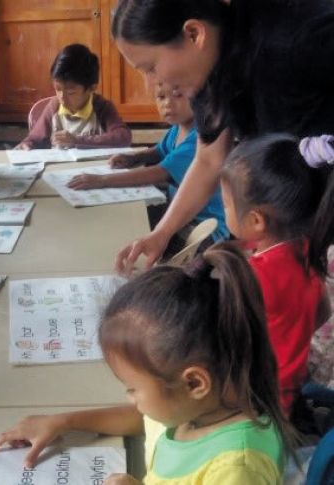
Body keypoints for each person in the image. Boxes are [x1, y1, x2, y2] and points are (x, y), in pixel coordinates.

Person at [0, 243, 293, 484]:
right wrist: (63, 422)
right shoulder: (197, 406)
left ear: (194, 383)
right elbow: (147, 421)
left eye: (133, 388)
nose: (130, 398)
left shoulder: (237, 468)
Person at [111, 0, 334, 274]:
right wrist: (162, 232)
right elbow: (208, 160)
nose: (151, 83)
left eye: (150, 67)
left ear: (194, 34)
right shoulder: (206, 75)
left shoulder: (295, 38)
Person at [220, 133, 333, 417]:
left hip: (258, 399)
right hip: (290, 388)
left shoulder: (258, 276)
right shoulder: (309, 248)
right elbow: (320, 310)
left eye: (226, 205)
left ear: (257, 220)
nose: (224, 211)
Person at [67, 82, 228, 244]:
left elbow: (159, 173)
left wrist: (102, 180)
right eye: (161, 97)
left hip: (206, 227)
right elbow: (159, 150)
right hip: (183, 217)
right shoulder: (178, 129)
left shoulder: (200, 138)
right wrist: (135, 157)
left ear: (199, 99)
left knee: (136, 234)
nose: (168, 104)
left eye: (178, 96)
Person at [16, 43, 131, 150]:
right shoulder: (54, 107)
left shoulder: (102, 107)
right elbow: (34, 139)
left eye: (71, 92)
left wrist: (77, 140)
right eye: (58, 89)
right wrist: (26, 145)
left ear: (91, 88)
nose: (62, 98)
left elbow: (123, 137)